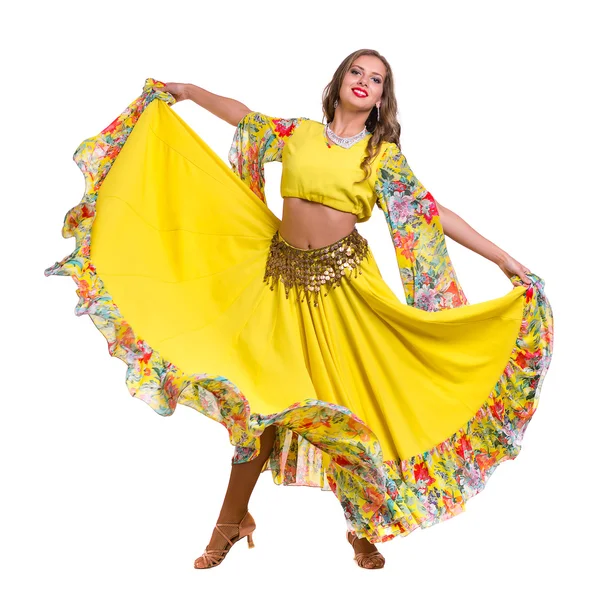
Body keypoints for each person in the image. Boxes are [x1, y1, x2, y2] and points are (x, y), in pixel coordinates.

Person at [44, 49, 553, 571]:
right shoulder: (300, 134)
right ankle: (230, 523)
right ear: (339, 82)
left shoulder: (381, 155)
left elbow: (430, 211)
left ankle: (363, 526)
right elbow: (245, 118)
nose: (364, 82)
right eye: (357, 72)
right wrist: (190, 92)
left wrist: (504, 259)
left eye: (376, 79)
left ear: (381, 99)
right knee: (259, 406)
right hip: (277, 287)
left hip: (346, 295)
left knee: (355, 409)